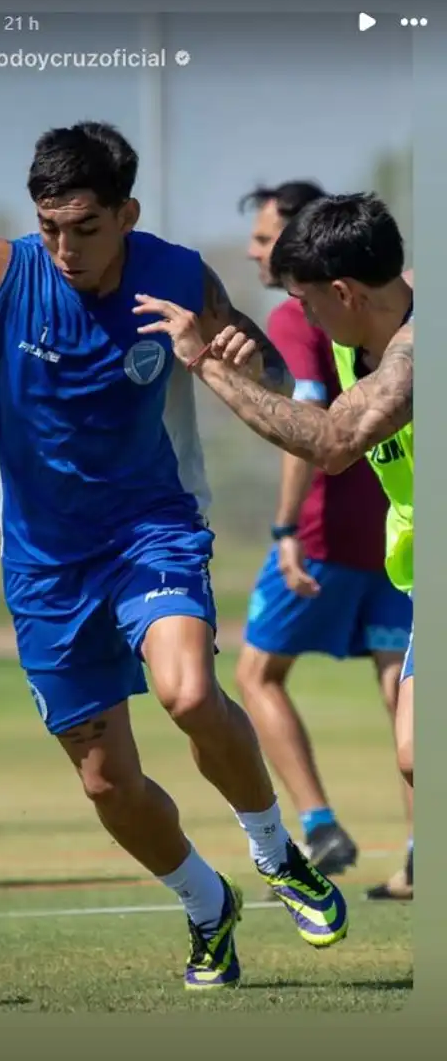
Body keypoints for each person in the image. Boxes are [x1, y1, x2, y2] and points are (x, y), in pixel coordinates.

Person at [0, 121, 349, 991]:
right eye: (50, 227)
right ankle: (207, 906)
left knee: (188, 693)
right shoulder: (6, 270)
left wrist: (246, 355)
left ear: (127, 215)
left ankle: (278, 855)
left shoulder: (177, 273)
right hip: (43, 564)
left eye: (84, 227)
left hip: (150, 530)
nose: (65, 248)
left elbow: (263, 370)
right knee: (107, 784)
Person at [133, 192, 414, 850]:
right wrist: (254, 373)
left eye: (305, 302)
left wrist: (204, 364)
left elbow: (334, 444)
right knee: (414, 753)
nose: (300, 317)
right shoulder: (363, 335)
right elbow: (313, 410)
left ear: (344, 293)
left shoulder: (416, 351)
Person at [234, 183, 413, 898]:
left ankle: (320, 822)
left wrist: (286, 529)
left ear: (340, 290)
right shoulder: (365, 320)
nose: (256, 252)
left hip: (328, 537)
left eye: (265, 239)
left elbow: (326, 439)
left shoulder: (334, 327)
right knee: (409, 737)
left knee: (257, 672)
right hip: (401, 553)